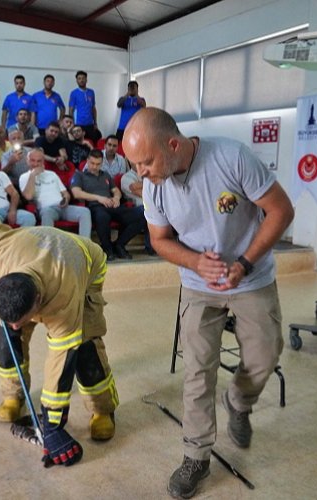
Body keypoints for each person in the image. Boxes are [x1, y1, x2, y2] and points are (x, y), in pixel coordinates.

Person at [122, 107, 294, 499]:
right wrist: (196, 262)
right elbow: (160, 240)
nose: (141, 173)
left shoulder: (231, 158)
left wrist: (245, 262)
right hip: (199, 284)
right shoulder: (155, 185)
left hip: (250, 275)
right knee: (198, 369)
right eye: (136, 165)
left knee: (266, 353)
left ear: (173, 144)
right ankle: (196, 455)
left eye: (146, 162)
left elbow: (281, 210)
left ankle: (239, 400)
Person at [0, 209, 119, 467]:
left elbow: (60, 362)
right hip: (25, 248)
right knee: (8, 337)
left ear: (38, 303)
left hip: (82, 261)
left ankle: (102, 409)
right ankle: (12, 395)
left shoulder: (64, 296)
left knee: (84, 345)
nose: (16, 324)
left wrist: (52, 424)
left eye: (20, 319)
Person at [71, 149, 144, 261]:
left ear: (102, 163)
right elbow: (76, 193)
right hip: (95, 207)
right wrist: (99, 198)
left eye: (98, 164)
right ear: (87, 161)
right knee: (102, 216)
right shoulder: (79, 175)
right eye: (92, 163)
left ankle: (119, 244)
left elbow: (116, 191)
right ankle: (107, 248)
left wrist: (116, 198)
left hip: (112, 205)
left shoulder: (106, 175)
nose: (95, 167)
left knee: (142, 214)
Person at [20, 149, 91, 237]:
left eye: (39, 161)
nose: (36, 164)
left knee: (85, 211)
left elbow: (65, 193)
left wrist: (66, 199)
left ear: (43, 162)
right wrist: (33, 175)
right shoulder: (24, 177)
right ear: (27, 161)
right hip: (46, 209)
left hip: (62, 207)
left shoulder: (52, 174)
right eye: (32, 160)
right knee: (46, 213)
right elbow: (28, 196)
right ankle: (48, 246)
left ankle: (85, 244)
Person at [119, 167, 154, 255]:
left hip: (152, 205)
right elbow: (140, 193)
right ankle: (150, 246)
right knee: (148, 211)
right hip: (134, 208)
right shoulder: (126, 177)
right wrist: (151, 184)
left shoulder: (150, 174)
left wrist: (140, 185)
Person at [68, 71, 99, 143]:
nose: (81, 80)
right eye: (79, 78)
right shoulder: (74, 93)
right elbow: (71, 110)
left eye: (83, 78)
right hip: (78, 124)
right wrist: (72, 124)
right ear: (77, 81)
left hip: (90, 124)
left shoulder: (91, 92)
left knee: (92, 143)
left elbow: (93, 108)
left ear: (86, 80)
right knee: (80, 144)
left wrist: (95, 123)